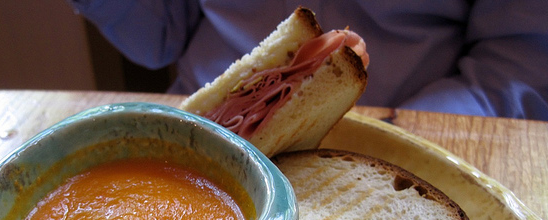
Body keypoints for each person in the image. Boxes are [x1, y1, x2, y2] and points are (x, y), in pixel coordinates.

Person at [70, 0, 548, 119]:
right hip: (201, 123)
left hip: (410, 137)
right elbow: (161, 36)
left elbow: (517, 62)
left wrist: (398, 134)